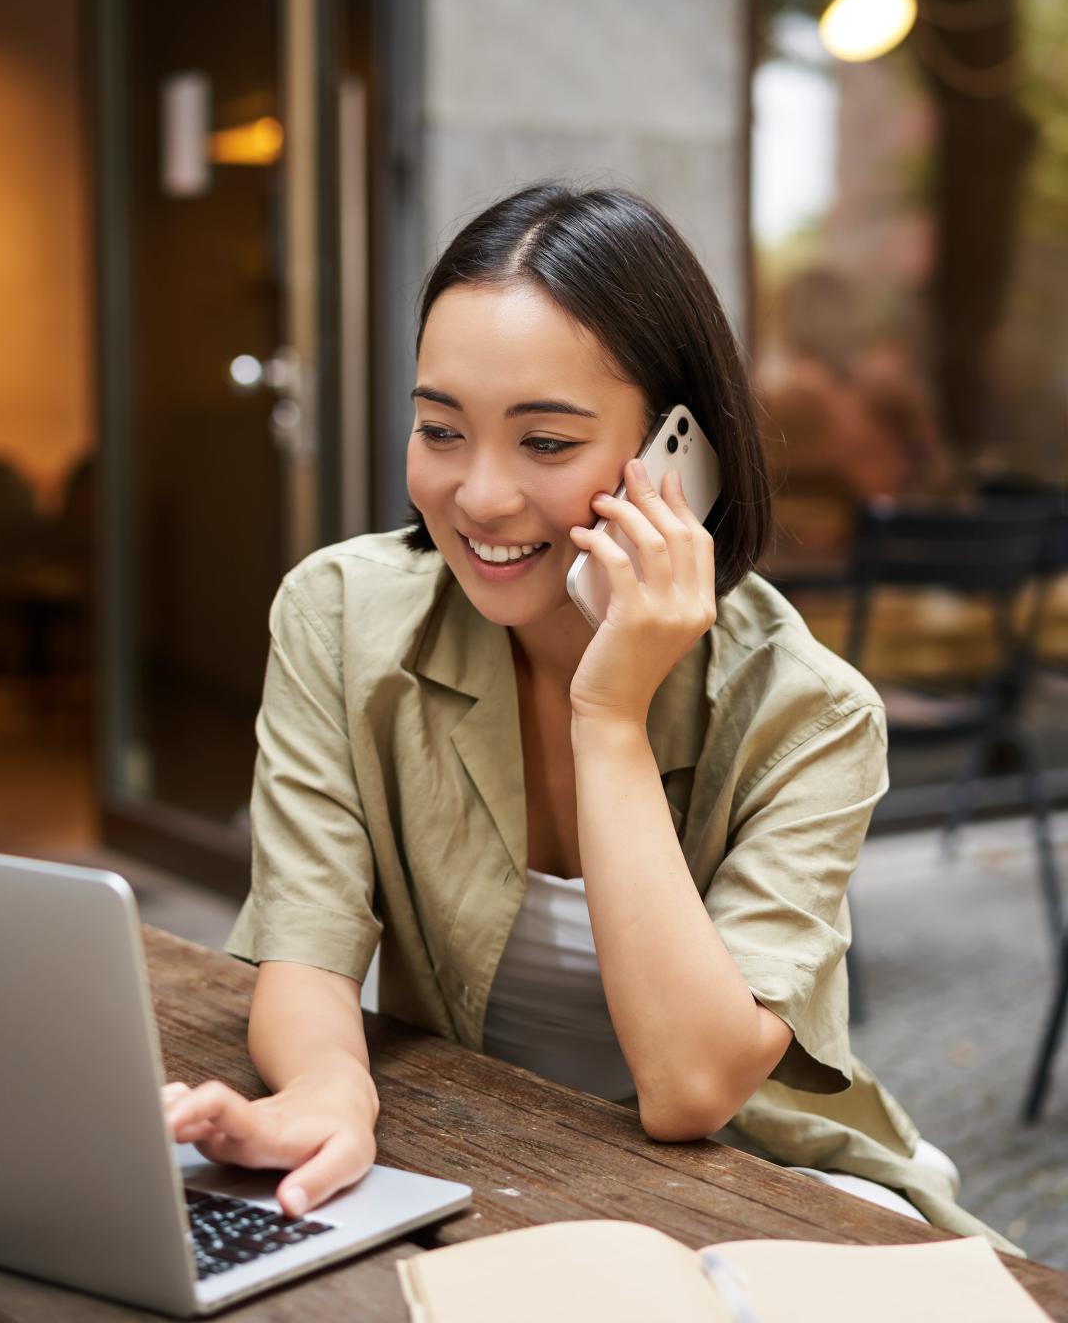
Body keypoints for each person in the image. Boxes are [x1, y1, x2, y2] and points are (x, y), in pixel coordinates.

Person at [161, 184, 1013, 1253]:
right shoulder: (338, 616)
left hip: (754, 1176)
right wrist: (329, 1089)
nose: (480, 495)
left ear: (679, 454)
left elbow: (693, 1088)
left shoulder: (810, 713)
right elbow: (308, 947)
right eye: (440, 429)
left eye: (547, 442)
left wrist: (608, 712)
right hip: (482, 1137)